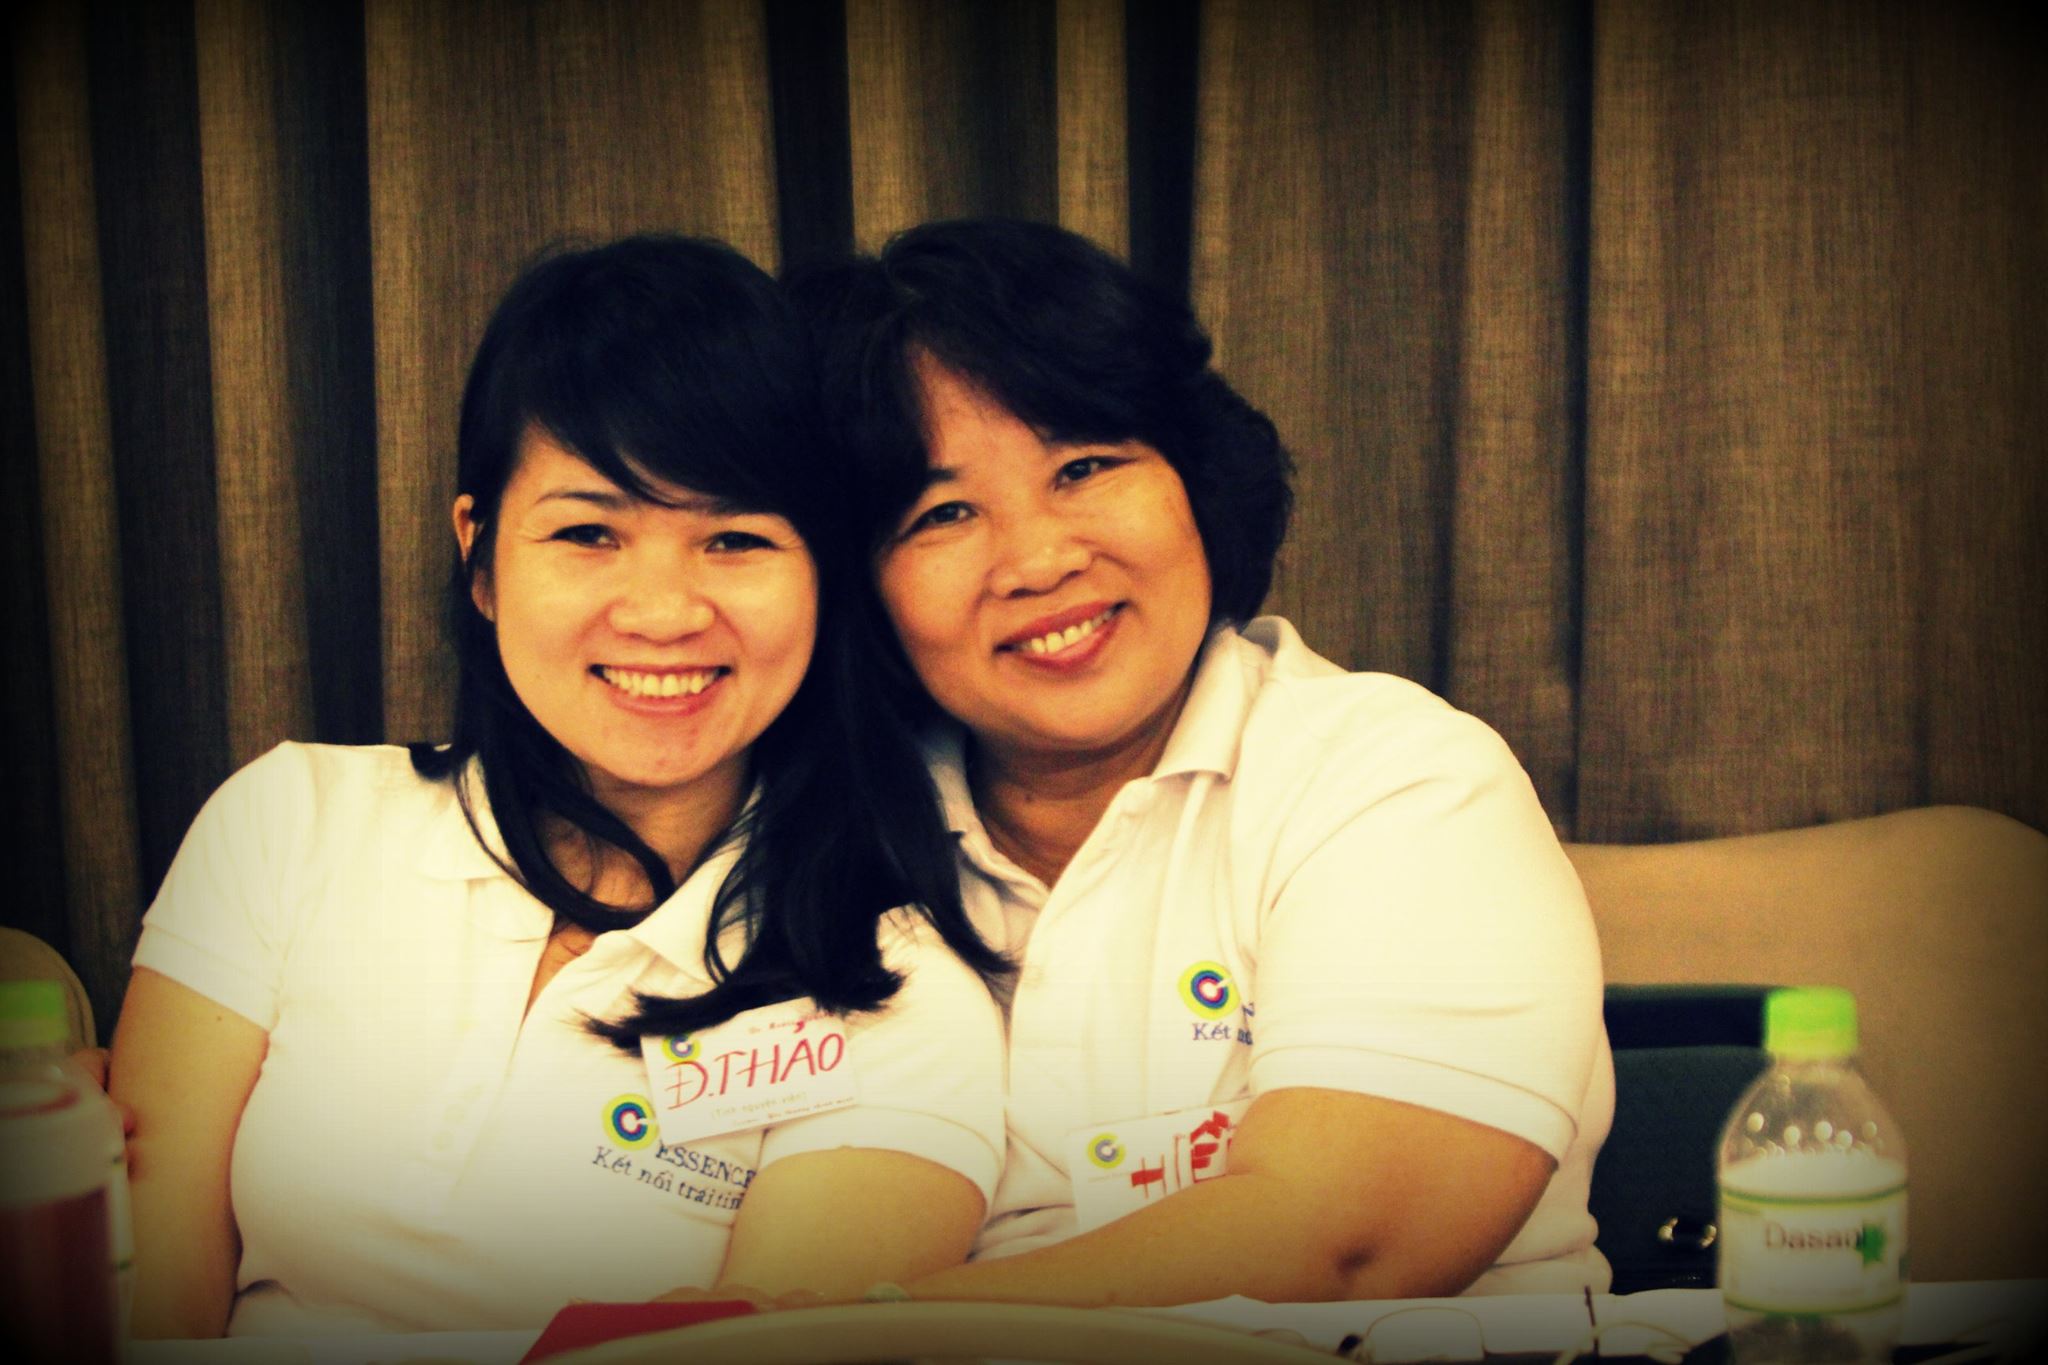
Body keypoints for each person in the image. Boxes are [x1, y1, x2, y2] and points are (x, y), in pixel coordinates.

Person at [106, 235, 1009, 1338]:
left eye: (735, 539)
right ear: (481, 557)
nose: (664, 613)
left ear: (823, 578)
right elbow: (144, 1311)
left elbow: (758, 1357)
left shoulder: (895, 996)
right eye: (588, 533)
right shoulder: (288, 824)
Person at [790, 218, 1614, 1306]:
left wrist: (837, 1343)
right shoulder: (813, 838)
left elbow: (1345, 1245)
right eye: (942, 513)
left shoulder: (1399, 782)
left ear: (1196, 478)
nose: (1038, 559)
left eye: (1084, 467)